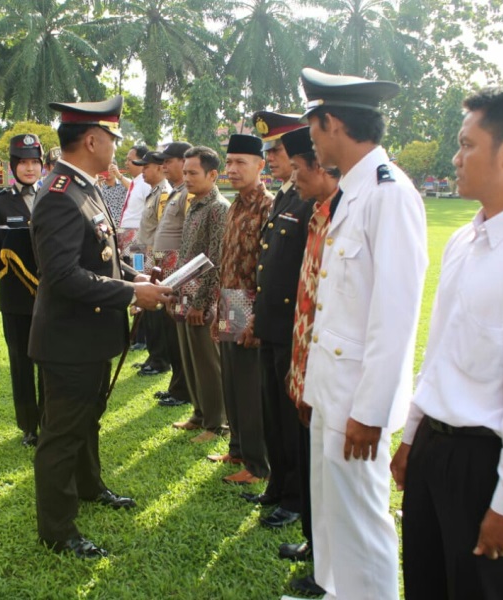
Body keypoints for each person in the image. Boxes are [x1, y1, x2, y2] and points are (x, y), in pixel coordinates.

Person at [390, 84, 503, 600]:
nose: (455, 158)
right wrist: (413, 436)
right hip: (436, 445)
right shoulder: (466, 239)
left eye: (467, 145)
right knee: (426, 585)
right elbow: (439, 355)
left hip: (488, 464)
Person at [293, 68, 428, 599]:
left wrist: (370, 412)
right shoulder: (351, 192)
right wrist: (310, 386)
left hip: (357, 403)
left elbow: (395, 315)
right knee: (331, 516)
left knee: (364, 527)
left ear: (334, 123)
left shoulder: (388, 194)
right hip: (331, 389)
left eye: (315, 128)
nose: (312, 140)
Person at [28, 96, 173, 558]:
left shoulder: (85, 186)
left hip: (88, 337)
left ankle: (90, 487)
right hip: (69, 340)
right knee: (62, 434)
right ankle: (58, 530)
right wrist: (132, 295)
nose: (116, 146)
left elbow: (103, 258)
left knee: (87, 421)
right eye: (113, 137)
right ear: (92, 140)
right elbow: (62, 275)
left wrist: (136, 278)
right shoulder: (58, 194)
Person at [243, 111, 309, 526]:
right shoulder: (286, 194)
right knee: (271, 410)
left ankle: (295, 496)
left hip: (292, 328)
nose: (270, 157)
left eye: (277, 150)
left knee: (290, 418)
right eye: (266, 150)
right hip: (271, 324)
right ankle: (277, 484)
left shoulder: (308, 196)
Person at [278, 126, 340, 563]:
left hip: (322, 364)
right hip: (298, 354)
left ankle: (325, 555)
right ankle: (313, 542)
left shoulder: (344, 213)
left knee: (326, 470)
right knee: (305, 454)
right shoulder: (314, 209)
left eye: (298, 166)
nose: (294, 175)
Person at [208, 134, 271, 485]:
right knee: (231, 382)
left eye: (240, 163)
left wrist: (256, 317)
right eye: (228, 162)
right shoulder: (235, 205)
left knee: (250, 388)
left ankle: (257, 463)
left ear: (260, 166)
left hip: (250, 303)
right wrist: (220, 307)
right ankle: (236, 448)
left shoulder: (267, 206)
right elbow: (225, 260)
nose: (231, 169)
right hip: (230, 301)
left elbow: (268, 267)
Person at [0, 134, 45, 447]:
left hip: (50, 295)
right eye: (23, 162)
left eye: (35, 162)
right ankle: (29, 425)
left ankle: (49, 418)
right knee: (21, 362)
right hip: (17, 298)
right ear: (13, 166)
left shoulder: (52, 196)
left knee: (49, 360)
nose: (30, 168)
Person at [171, 146, 228, 443]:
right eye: (184, 172)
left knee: (208, 361)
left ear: (213, 174)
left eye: (193, 173)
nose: (186, 178)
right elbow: (186, 254)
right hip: (184, 291)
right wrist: (174, 289)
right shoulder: (194, 203)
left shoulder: (219, 208)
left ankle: (216, 422)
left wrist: (202, 302)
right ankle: (199, 412)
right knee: (190, 357)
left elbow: (216, 260)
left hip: (202, 297)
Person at [152, 141, 193, 408]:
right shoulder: (176, 192)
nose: (164, 166)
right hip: (168, 275)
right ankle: (177, 385)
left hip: (180, 276)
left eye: (169, 161)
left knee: (180, 337)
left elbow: (190, 240)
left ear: (183, 162)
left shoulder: (187, 195)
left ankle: (182, 390)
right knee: (172, 335)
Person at [132, 150, 173, 376]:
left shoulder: (164, 194)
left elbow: (161, 232)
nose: (143, 171)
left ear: (159, 168)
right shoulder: (153, 193)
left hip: (154, 259)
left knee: (156, 313)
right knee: (148, 313)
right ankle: (153, 355)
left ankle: (159, 359)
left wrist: (152, 263)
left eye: (146, 167)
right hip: (144, 256)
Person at [114, 145, 151, 260]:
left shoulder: (146, 184)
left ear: (142, 161)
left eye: (130, 160)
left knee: (137, 270)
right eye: (127, 160)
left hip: (137, 239)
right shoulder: (136, 183)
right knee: (127, 272)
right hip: (126, 237)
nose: (126, 163)